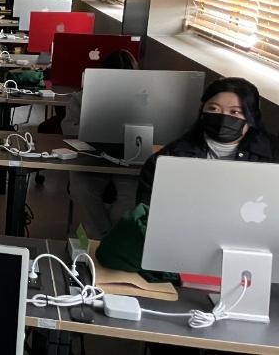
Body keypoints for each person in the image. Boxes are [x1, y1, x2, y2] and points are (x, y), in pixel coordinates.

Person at [137, 77, 279, 206]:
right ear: (202, 111)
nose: (223, 117)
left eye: (235, 112)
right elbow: (147, 209)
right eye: (213, 108)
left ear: (251, 118)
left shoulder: (274, 155)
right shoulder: (169, 157)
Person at [60, 50, 140, 239]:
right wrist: (96, 128)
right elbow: (68, 127)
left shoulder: (143, 99)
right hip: (92, 157)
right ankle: (102, 238)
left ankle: (112, 238)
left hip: (130, 161)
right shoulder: (84, 97)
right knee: (82, 190)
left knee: (131, 199)